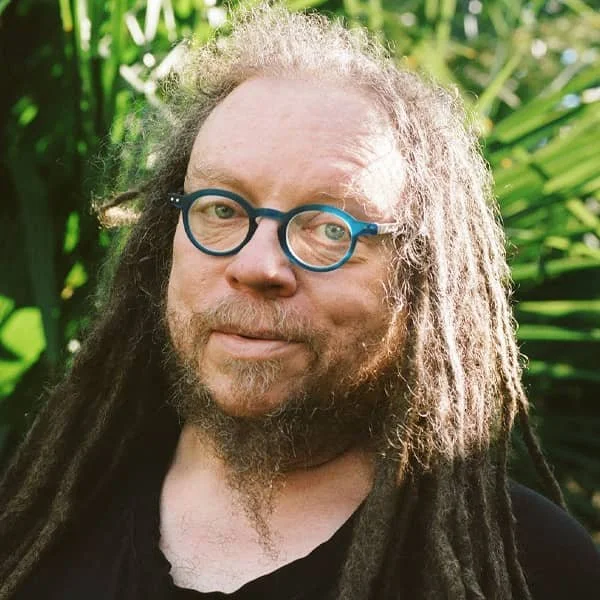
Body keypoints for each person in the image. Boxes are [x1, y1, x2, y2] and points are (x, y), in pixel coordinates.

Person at [1, 5, 599, 600]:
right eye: (221, 209)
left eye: (330, 228)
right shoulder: (35, 521)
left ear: (420, 279)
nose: (257, 266)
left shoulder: (533, 571)